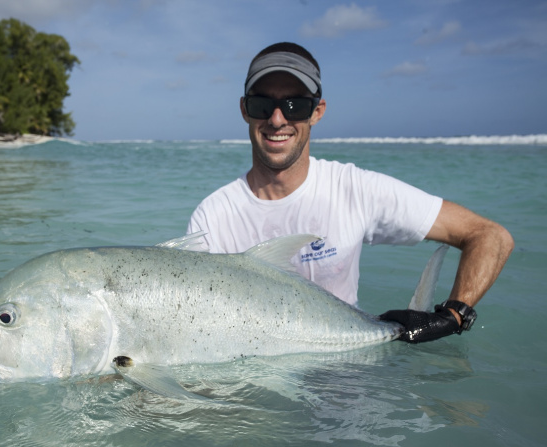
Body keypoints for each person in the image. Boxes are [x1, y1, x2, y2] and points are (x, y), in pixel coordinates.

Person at [186, 42, 514, 343]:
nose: (276, 119)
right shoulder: (213, 216)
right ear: (245, 109)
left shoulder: (354, 188)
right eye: (262, 104)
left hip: (344, 379)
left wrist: (453, 316)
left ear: (318, 111)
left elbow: (489, 236)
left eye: (295, 106)